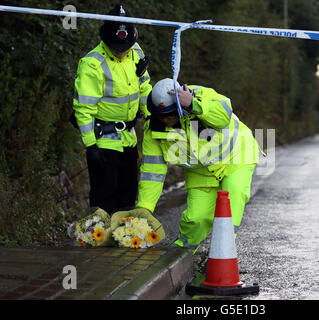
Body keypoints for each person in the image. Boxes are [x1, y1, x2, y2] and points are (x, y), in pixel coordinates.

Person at [130, 78, 261, 253]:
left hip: (236, 157)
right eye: (161, 116)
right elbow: (152, 171)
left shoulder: (199, 96)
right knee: (196, 219)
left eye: (170, 114)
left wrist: (194, 105)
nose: (165, 120)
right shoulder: (154, 130)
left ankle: (224, 252)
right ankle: (181, 253)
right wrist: (145, 207)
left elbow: (223, 114)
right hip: (201, 171)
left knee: (233, 198)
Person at [72, 4, 152, 214]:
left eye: (125, 46)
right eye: (116, 47)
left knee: (127, 197)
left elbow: (144, 88)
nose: (122, 51)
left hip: (129, 137)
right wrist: (91, 146)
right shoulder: (92, 64)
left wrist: (153, 117)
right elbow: (83, 108)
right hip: (104, 139)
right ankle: (99, 242)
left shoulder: (135, 51)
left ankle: (122, 241)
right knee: (104, 198)